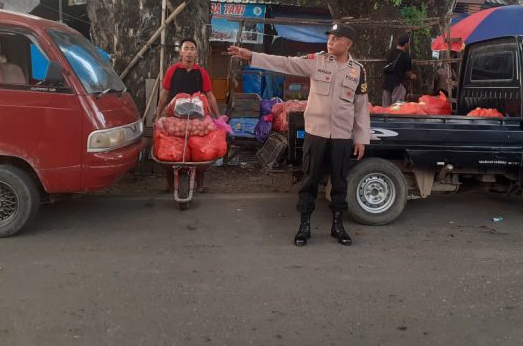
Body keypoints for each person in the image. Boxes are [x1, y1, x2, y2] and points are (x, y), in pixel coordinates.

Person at [228, 23, 370, 246]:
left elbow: (361, 106)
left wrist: (361, 138)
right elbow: (286, 63)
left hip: (342, 136)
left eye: (336, 38)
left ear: (348, 44)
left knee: (340, 182)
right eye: (329, 37)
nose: (330, 41)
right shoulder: (317, 61)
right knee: (310, 180)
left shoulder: (358, 70)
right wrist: (252, 56)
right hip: (316, 133)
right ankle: (304, 225)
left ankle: (338, 225)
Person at [154, 37, 220, 192]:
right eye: (186, 48)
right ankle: (170, 185)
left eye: (192, 49)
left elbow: (209, 95)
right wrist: (158, 113)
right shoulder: (173, 70)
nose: (189, 52)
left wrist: (218, 115)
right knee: (169, 148)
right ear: (180, 53)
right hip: (174, 118)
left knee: (200, 149)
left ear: (196, 53)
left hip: (196, 119)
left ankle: (200, 185)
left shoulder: (201, 72)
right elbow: (165, 93)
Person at [382, 34, 413, 107]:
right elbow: (408, 73)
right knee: (396, 108)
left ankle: (384, 118)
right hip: (398, 84)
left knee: (385, 108)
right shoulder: (406, 56)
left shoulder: (390, 53)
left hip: (387, 83)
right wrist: (412, 76)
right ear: (406, 44)